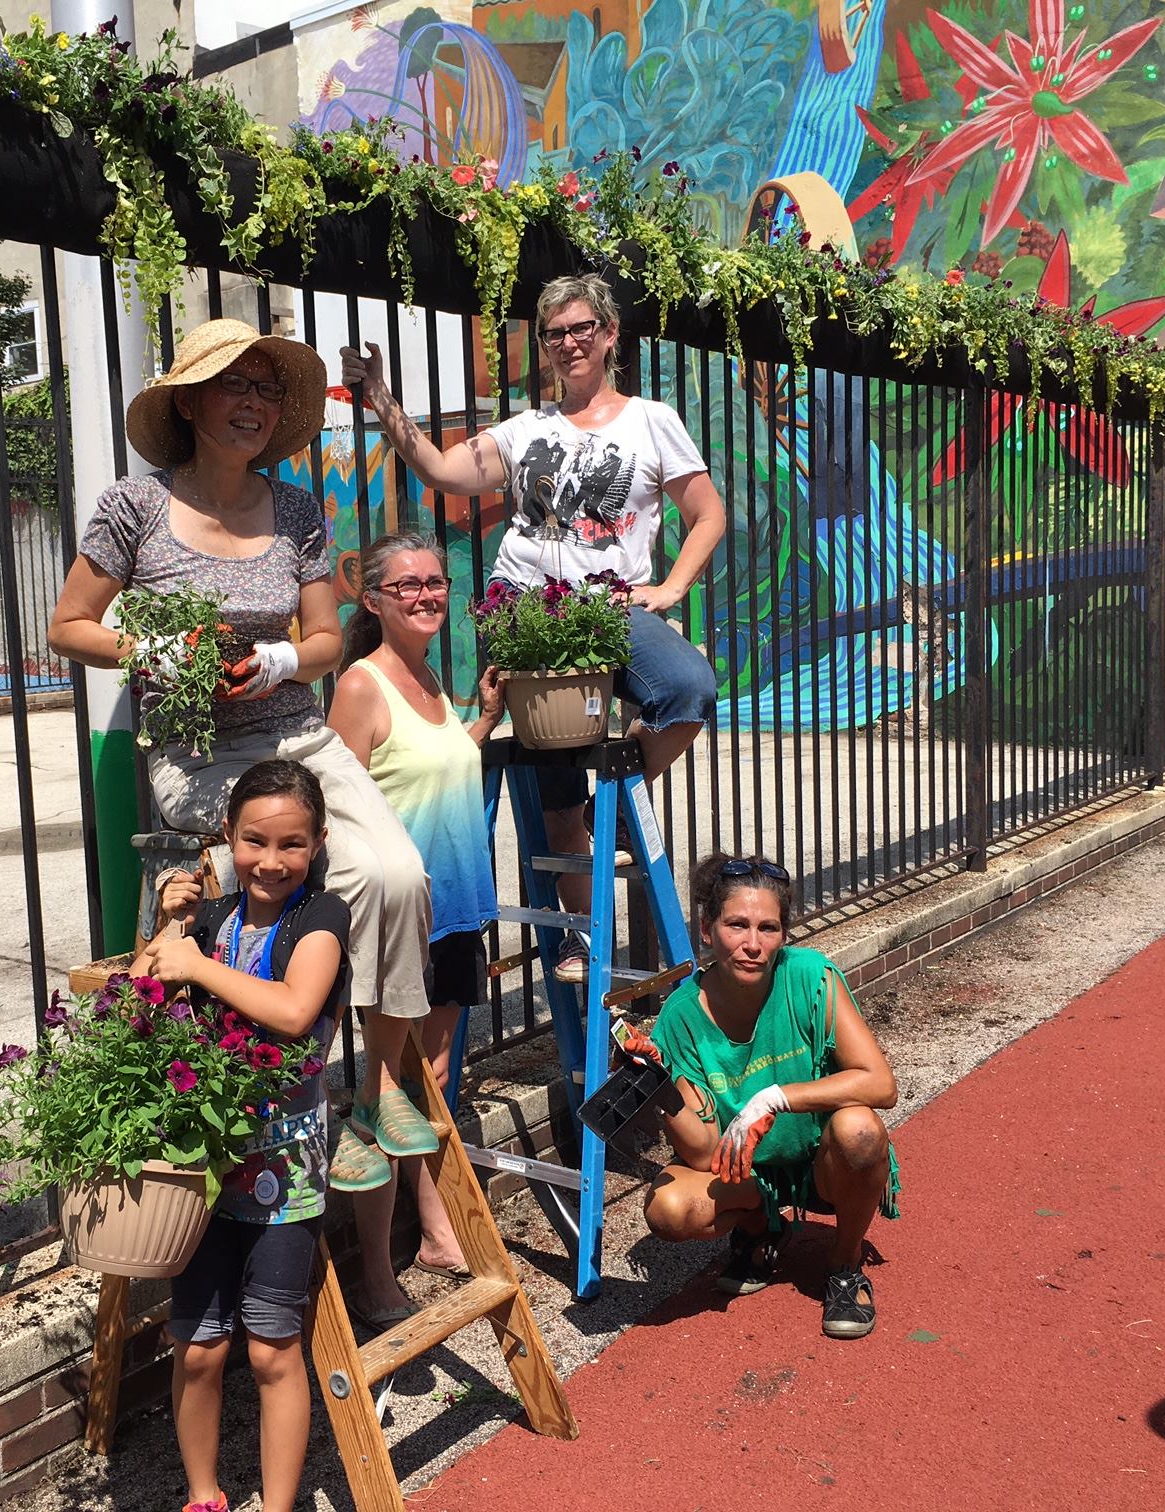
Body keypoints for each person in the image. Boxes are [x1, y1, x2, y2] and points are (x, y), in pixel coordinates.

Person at [48, 317, 437, 1183]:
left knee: (397, 875)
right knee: (289, 888)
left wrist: (280, 659)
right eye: (235, 385)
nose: (253, 405)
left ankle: (376, 1091)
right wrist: (158, 652)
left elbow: (331, 639)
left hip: (295, 730)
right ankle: (305, 1091)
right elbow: (68, 628)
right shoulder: (135, 506)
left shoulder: (296, 507)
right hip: (197, 754)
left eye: (267, 390)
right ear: (189, 402)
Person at [341, 272, 726, 983]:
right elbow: (440, 468)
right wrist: (382, 399)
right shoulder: (526, 430)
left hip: (608, 605)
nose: (570, 343)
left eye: (583, 328)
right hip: (523, 602)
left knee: (688, 687)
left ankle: (612, 803)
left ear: (610, 336)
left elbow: (709, 512)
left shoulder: (652, 420)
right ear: (544, 347)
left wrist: (671, 587)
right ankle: (581, 935)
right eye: (555, 333)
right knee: (553, 782)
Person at [133, 760, 349, 1512]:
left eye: (292, 843)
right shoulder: (210, 920)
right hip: (201, 1167)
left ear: (317, 843)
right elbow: (142, 1007)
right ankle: (204, 1495)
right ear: (227, 836)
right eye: (254, 840)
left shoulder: (321, 918)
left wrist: (196, 961)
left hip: (285, 1169)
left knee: (271, 1347)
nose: (271, 860)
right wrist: (167, 929)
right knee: (198, 1347)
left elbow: (294, 1012)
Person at [326, 532, 505, 1323]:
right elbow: (338, 806)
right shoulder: (362, 685)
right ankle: (377, 1271)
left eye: (436, 583)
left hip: (459, 912)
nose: (427, 595)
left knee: (432, 1088)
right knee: (384, 1093)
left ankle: (432, 1231)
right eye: (408, 586)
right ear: (373, 600)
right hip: (406, 926)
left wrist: (485, 723)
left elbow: (432, 767)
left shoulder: (431, 679)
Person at [623, 854, 902, 1340]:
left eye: (768, 928)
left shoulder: (810, 976)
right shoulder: (682, 1015)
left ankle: (844, 1265)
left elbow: (880, 1083)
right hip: (747, 1173)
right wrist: (660, 1087)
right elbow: (707, 1152)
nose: (753, 944)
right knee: (667, 1209)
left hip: (823, 1163)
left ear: (783, 935)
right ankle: (760, 1224)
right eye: (736, 925)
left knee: (859, 1129)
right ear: (707, 930)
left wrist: (774, 1097)